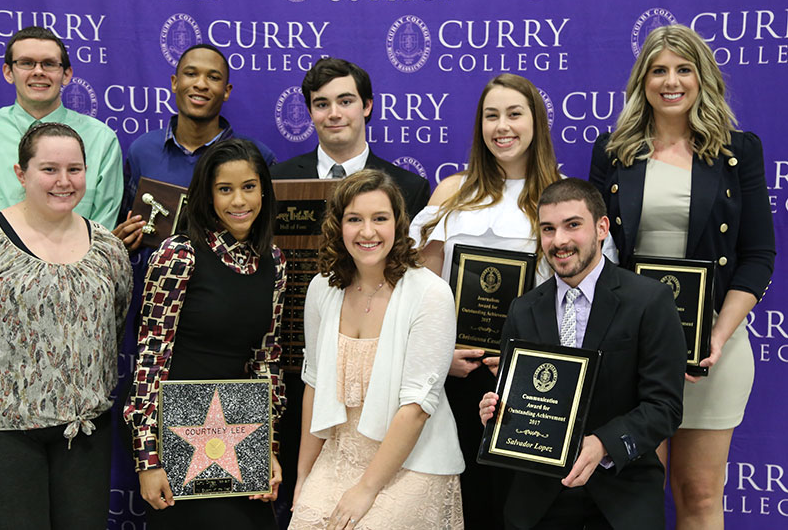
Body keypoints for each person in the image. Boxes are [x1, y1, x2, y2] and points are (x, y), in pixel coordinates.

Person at [588, 24, 776, 529]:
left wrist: (716, 336)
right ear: (642, 80)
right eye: (658, 70)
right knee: (634, 495)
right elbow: (591, 253)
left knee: (697, 494)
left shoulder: (739, 151)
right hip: (631, 347)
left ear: (702, 78)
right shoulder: (612, 152)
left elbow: (758, 256)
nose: (671, 81)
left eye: (683, 69)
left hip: (713, 348)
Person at [0, 122, 132, 528]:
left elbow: (110, 328)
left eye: (74, 169)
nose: (64, 181)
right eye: (49, 169)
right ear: (20, 173)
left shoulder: (109, 250)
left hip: (83, 427)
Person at [479, 178, 687, 529]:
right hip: (539, 500)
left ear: (601, 227)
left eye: (572, 225)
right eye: (548, 229)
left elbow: (665, 407)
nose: (559, 241)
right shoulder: (523, 309)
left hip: (622, 493)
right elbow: (520, 400)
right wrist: (497, 414)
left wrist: (603, 445)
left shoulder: (649, 301)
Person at [407, 73, 560, 529]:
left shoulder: (559, 196)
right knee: (462, 503)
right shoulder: (452, 193)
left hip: (528, 382)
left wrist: (528, 362)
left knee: (517, 510)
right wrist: (440, 356)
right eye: (491, 116)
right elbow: (419, 291)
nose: (502, 126)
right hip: (456, 375)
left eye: (514, 114)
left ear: (536, 121)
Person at [123, 138, 286, 528]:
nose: (239, 201)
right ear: (207, 195)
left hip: (242, 440)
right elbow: (150, 357)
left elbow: (268, 360)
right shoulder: (179, 254)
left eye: (248, 187)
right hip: (177, 441)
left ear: (263, 188)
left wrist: (268, 446)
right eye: (224, 189)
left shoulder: (274, 262)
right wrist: (148, 460)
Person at [290, 169, 464, 529]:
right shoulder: (322, 289)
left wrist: (366, 489)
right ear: (338, 226)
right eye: (354, 219)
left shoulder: (430, 294)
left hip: (413, 462)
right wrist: (303, 477)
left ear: (399, 225)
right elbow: (313, 385)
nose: (367, 232)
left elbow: (416, 408)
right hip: (337, 456)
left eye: (379, 219)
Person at [0, 26, 123, 233]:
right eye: (26, 63)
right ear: (8, 72)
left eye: (49, 64)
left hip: (74, 261)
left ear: (66, 74)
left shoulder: (101, 139)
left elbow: (101, 232)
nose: (38, 71)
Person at [114, 43, 277, 252]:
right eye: (191, 74)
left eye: (214, 77)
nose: (201, 84)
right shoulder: (142, 151)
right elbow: (126, 224)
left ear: (226, 91)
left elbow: (269, 232)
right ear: (174, 82)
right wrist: (124, 239)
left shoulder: (257, 157)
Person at [270, 57, 430, 219]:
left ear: (367, 106)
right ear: (310, 112)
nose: (334, 114)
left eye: (345, 102)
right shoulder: (275, 180)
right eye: (322, 105)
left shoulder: (410, 188)